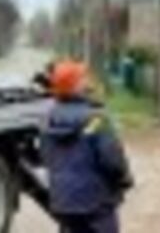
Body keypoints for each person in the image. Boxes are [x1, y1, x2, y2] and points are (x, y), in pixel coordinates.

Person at [41, 61, 134, 233]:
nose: (88, 80)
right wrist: (124, 178)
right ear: (75, 86)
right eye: (82, 78)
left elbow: (46, 157)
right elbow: (111, 159)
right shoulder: (96, 119)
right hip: (95, 203)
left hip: (63, 203)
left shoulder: (49, 118)